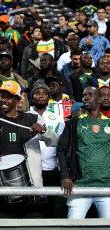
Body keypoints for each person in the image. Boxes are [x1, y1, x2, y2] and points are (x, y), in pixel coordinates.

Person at [0, 80, 58, 218]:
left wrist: (43, 130)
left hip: (30, 190)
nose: (4, 100)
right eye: (2, 96)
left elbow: (55, 141)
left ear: (18, 100)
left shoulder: (33, 119)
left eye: (9, 97)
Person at [57, 86, 110, 219]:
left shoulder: (109, 123)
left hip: (106, 186)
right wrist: (65, 176)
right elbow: (61, 149)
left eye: (90, 95)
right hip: (80, 185)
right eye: (83, 95)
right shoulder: (74, 123)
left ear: (100, 99)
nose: (85, 98)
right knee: (73, 225)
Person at [28, 80, 65, 217]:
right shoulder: (24, 116)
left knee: (50, 207)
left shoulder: (57, 118)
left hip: (52, 168)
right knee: (33, 207)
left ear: (49, 97)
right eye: (37, 93)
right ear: (32, 97)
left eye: (45, 93)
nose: (41, 96)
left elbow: (62, 143)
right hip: (30, 168)